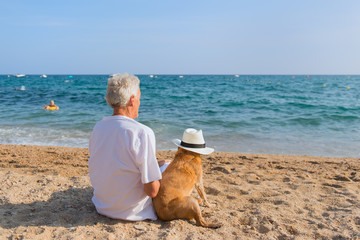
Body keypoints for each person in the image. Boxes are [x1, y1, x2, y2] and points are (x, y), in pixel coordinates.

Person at [88, 73, 163, 221]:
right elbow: (152, 191)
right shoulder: (142, 132)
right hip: (131, 212)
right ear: (132, 100)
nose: (140, 103)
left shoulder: (99, 127)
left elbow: (115, 161)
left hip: (103, 206)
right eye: (139, 99)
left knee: (158, 165)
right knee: (168, 169)